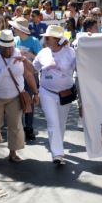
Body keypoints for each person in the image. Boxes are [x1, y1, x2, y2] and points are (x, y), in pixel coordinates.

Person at [0, 30, 38, 162]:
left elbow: (30, 73)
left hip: (15, 96)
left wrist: (35, 92)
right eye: (4, 48)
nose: (7, 50)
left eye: (10, 47)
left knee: (15, 124)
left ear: (13, 45)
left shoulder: (20, 54)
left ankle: (13, 152)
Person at [33, 25, 76, 165]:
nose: (45, 40)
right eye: (45, 37)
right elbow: (33, 69)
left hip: (65, 94)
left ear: (57, 39)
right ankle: (57, 153)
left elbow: (82, 67)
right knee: (53, 123)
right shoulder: (43, 52)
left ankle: (58, 148)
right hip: (47, 92)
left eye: (48, 38)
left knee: (61, 123)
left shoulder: (71, 52)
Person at [9, 17, 42, 142]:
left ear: (20, 29)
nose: (12, 29)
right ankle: (19, 127)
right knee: (17, 102)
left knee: (29, 102)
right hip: (17, 75)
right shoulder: (14, 40)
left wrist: (29, 55)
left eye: (14, 27)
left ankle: (29, 128)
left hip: (30, 74)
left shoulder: (34, 41)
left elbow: (40, 57)